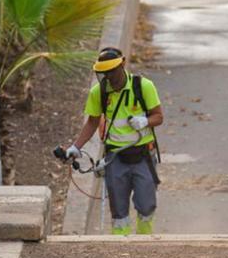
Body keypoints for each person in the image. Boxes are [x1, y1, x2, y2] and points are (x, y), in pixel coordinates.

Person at [64, 47, 164, 235]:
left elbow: (158, 117)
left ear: (123, 64)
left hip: (143, 154)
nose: (109, 77)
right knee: (118, 209)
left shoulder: (143, 86)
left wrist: (145, 121)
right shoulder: (99, 92)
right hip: (115, 157)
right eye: (104, 73)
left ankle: (145, 242)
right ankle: (120, 246)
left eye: (112, 71)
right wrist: (75, 147)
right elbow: (92, 122)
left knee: (146, 204)